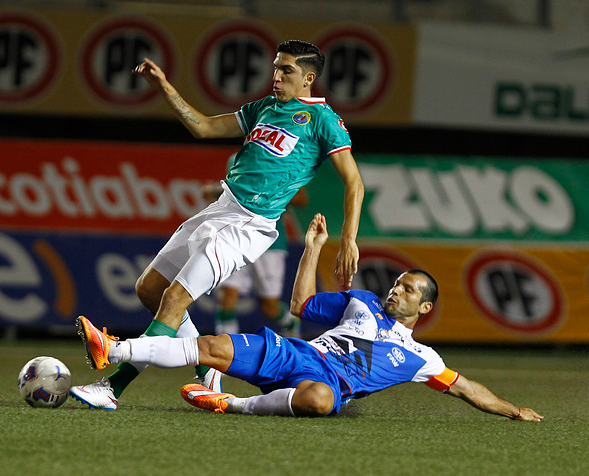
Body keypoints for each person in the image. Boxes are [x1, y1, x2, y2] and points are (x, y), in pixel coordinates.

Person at [69, 40, 364, 410]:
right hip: (220, 207)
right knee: (149, 288)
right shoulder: (263, 108)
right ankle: (207, 372)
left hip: (249, 225)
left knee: (175, 299)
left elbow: (354, 182)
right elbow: (205, 128)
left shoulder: (323, 121)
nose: (276, 76)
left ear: (308, 78)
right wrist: (165, 87)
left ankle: (112, 388)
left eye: (286, 70)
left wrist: (348, 239)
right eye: (275, 67)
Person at [76, 214, 544, 421]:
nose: (395, 289)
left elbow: (465, 387)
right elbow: (302, 306)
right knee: (211, 348)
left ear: (423, 308)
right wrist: (312, 251)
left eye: (408, 289)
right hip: (294, 353)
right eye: (397, 282)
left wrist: (512, 410)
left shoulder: (423, 358)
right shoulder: (359, 300)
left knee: (320, 400)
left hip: (321, 384)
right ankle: (113, 348)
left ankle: (231, 404)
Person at [202, 166, 308, 337]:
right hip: (236, 237)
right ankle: (226, 356)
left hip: (268, 243)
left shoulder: (283, 160)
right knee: (227, 294)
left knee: (269, 306)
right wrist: (216, 192)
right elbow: (230, 192)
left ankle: (292, 327)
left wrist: (267, 191)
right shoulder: (236, 159)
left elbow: (301, 198)